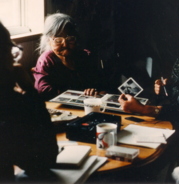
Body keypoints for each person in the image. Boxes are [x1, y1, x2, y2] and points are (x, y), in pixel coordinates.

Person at [118, 0, 179, 182]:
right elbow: (178, 95)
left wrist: (144, 109)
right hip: (168, 127)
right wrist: (164, 88)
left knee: (136, 166)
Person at [0, 22, 58, 182]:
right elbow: (43, 161)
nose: (13, 57)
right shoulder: (11, 103)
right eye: (8, 50)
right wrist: (30, 93)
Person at [33, 13, 105, 101]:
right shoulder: (46, 60)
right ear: (48, 41)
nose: (65, 44)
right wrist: (80, 94)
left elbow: (100, 84)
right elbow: (43, 91)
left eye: (70, 39)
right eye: (58, 40)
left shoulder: (85, 56)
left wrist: (94, 91)